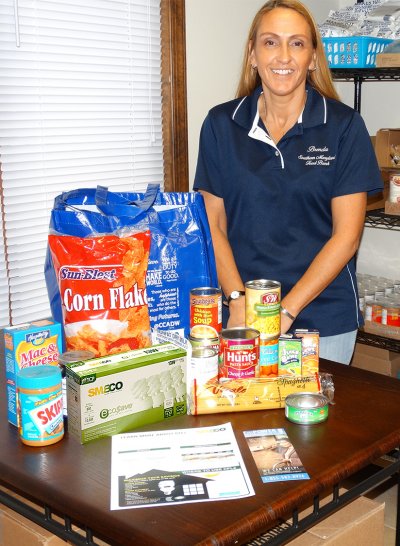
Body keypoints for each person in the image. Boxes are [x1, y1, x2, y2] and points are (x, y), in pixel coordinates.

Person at [193, 0, 383, 365]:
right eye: (270, 42)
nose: (283, 56)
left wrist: (286, 312)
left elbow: (347, 237)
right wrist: (236, 300)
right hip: (241, 314)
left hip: (322, 318)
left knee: (315, 421)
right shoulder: (220, 124)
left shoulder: (344, 127)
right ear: (252, 54)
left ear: (313, 57)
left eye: (297, 43)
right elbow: (212, 223)